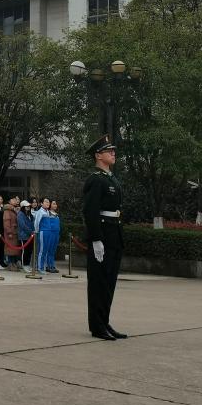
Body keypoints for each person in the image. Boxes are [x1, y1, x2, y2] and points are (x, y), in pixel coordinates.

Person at [83, 135, 126, 341]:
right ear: (98, 155)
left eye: (113, 151)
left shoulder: (111, 179)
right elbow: (90, 211)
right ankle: (97, 326)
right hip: (102, 236)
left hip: (114, 234)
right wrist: (96, 239)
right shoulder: (95, 180)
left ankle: (104, 321)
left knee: (109, 282)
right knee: (98, 282)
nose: (113, 154)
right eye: (109, 151)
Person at [17, 200, 35, 272]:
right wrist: (31, 231)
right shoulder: (20, 214)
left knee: (29, 251)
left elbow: (32, 224)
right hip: (23, 236)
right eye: (26, 206)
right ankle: (24, 265)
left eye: (28, 206)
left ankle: (27, 264)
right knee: (24, 251)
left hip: (30, 236)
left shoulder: (30, 215)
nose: (28, 207)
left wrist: (33, 231)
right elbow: (23, 225)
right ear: (23, 207)